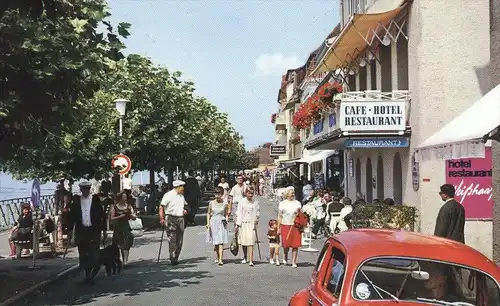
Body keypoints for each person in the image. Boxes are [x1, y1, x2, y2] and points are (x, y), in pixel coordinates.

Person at [67, 181, 107, 286]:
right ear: (81, 190)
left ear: (89, 189)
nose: (85, 191)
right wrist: (70, 231)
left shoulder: (95, 200)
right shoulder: (76, 201)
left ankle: (93, 273)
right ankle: (88, 276)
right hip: (82, 231)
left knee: (94, 253)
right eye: (84, 189)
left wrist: (104, 231)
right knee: (83, 254)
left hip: (94, 230)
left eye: (87, 189)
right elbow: (72, 217)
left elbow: (101, 216)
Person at [159, 180, 189, 265]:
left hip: (180, 218)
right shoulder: (168, 195)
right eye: (181, 186)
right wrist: (162, 218)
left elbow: (186, 206)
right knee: (172, 238)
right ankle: (172, 255)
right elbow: (161, 207)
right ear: (177, 187)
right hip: (170, 218)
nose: (183, 188)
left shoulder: (181, 196)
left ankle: (176, 257)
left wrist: (185, 210)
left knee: (179, 240)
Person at [277, 188, 302, 268]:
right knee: (286, 244)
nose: (293, 194)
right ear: (287, 194)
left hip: (295, 226)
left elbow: (300, 214)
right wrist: (278, 228)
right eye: (291, 193)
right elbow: (280, 216)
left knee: (295, 244)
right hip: (285, 224)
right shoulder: (282, 203)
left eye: (293, 193)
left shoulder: (297, 203)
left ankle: (294, 261)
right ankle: (285, 256)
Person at [235, 186, 260, 266]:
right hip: (243, 223)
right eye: (249, 193)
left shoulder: (255, 202)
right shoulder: (241, 202)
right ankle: (245, 257)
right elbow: (238, 213)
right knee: (244, 242)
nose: (250, 195)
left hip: (251, 223)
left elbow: (257, 212)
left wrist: (256, 219)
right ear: (246, 193)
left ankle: (251, 260)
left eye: (252, 193)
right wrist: (237, 224)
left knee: (251, 241)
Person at [110, 191, 136, 265]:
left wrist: (132, 216)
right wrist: (120, 217)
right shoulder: (114, 206)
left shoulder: (129, 206)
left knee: (126, 244)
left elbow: (134, 216)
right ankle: (119, 259)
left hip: (126, 227)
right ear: (120, 198)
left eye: (126, 197)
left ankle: (125, 261)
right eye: (124, 197)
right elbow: (112, 218)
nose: (125, 199)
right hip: (118, 227)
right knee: (119, 244)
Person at [206, 186, 229, 265]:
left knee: (221, 242)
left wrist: (226, 219)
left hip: (221, 222)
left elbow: (226, 213)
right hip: (213, 222)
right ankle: (217, 256)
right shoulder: (211, 203)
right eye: (216, 194)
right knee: (216, 242)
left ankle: (220, 259)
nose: (217, 195)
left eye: (219, 194)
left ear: (222, 194)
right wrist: (208, 223)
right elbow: (208, 213)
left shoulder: (225, 203)